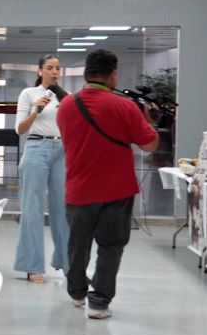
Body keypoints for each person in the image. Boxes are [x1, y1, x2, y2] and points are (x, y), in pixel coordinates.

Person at [57, 48, 159, 320]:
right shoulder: (125, 107)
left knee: (77, 244)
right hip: (117, 190)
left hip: (78, 189)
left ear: (86, 73)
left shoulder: (66, 106)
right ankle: (99, 303)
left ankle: (77, 293)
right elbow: (149, 145)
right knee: (110, 247)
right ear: (113, 75)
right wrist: (147, 120)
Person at [13, 55, 69, 283]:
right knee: (33, 208)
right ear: (40, 71)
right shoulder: (29, 94)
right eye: (49, 67)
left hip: (62, 151)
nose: (54, 72)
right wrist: (36, 110)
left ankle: (67, 263)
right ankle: (32, 266)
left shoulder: (66, 97)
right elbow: (20, 129)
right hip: (37, 148)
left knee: (63, 209)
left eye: (57, 68)